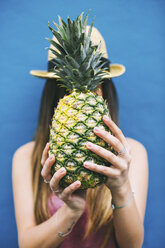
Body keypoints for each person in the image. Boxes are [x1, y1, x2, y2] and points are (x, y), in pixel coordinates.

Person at [12, 24, 148, 248]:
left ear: (105, 88)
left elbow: (132, 245)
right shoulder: (26, 157)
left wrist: (121, 187)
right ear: (55, 92)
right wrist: (71, 211)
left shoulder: (132, 154)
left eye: (96, 85)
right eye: (65, 89)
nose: (81, 100)